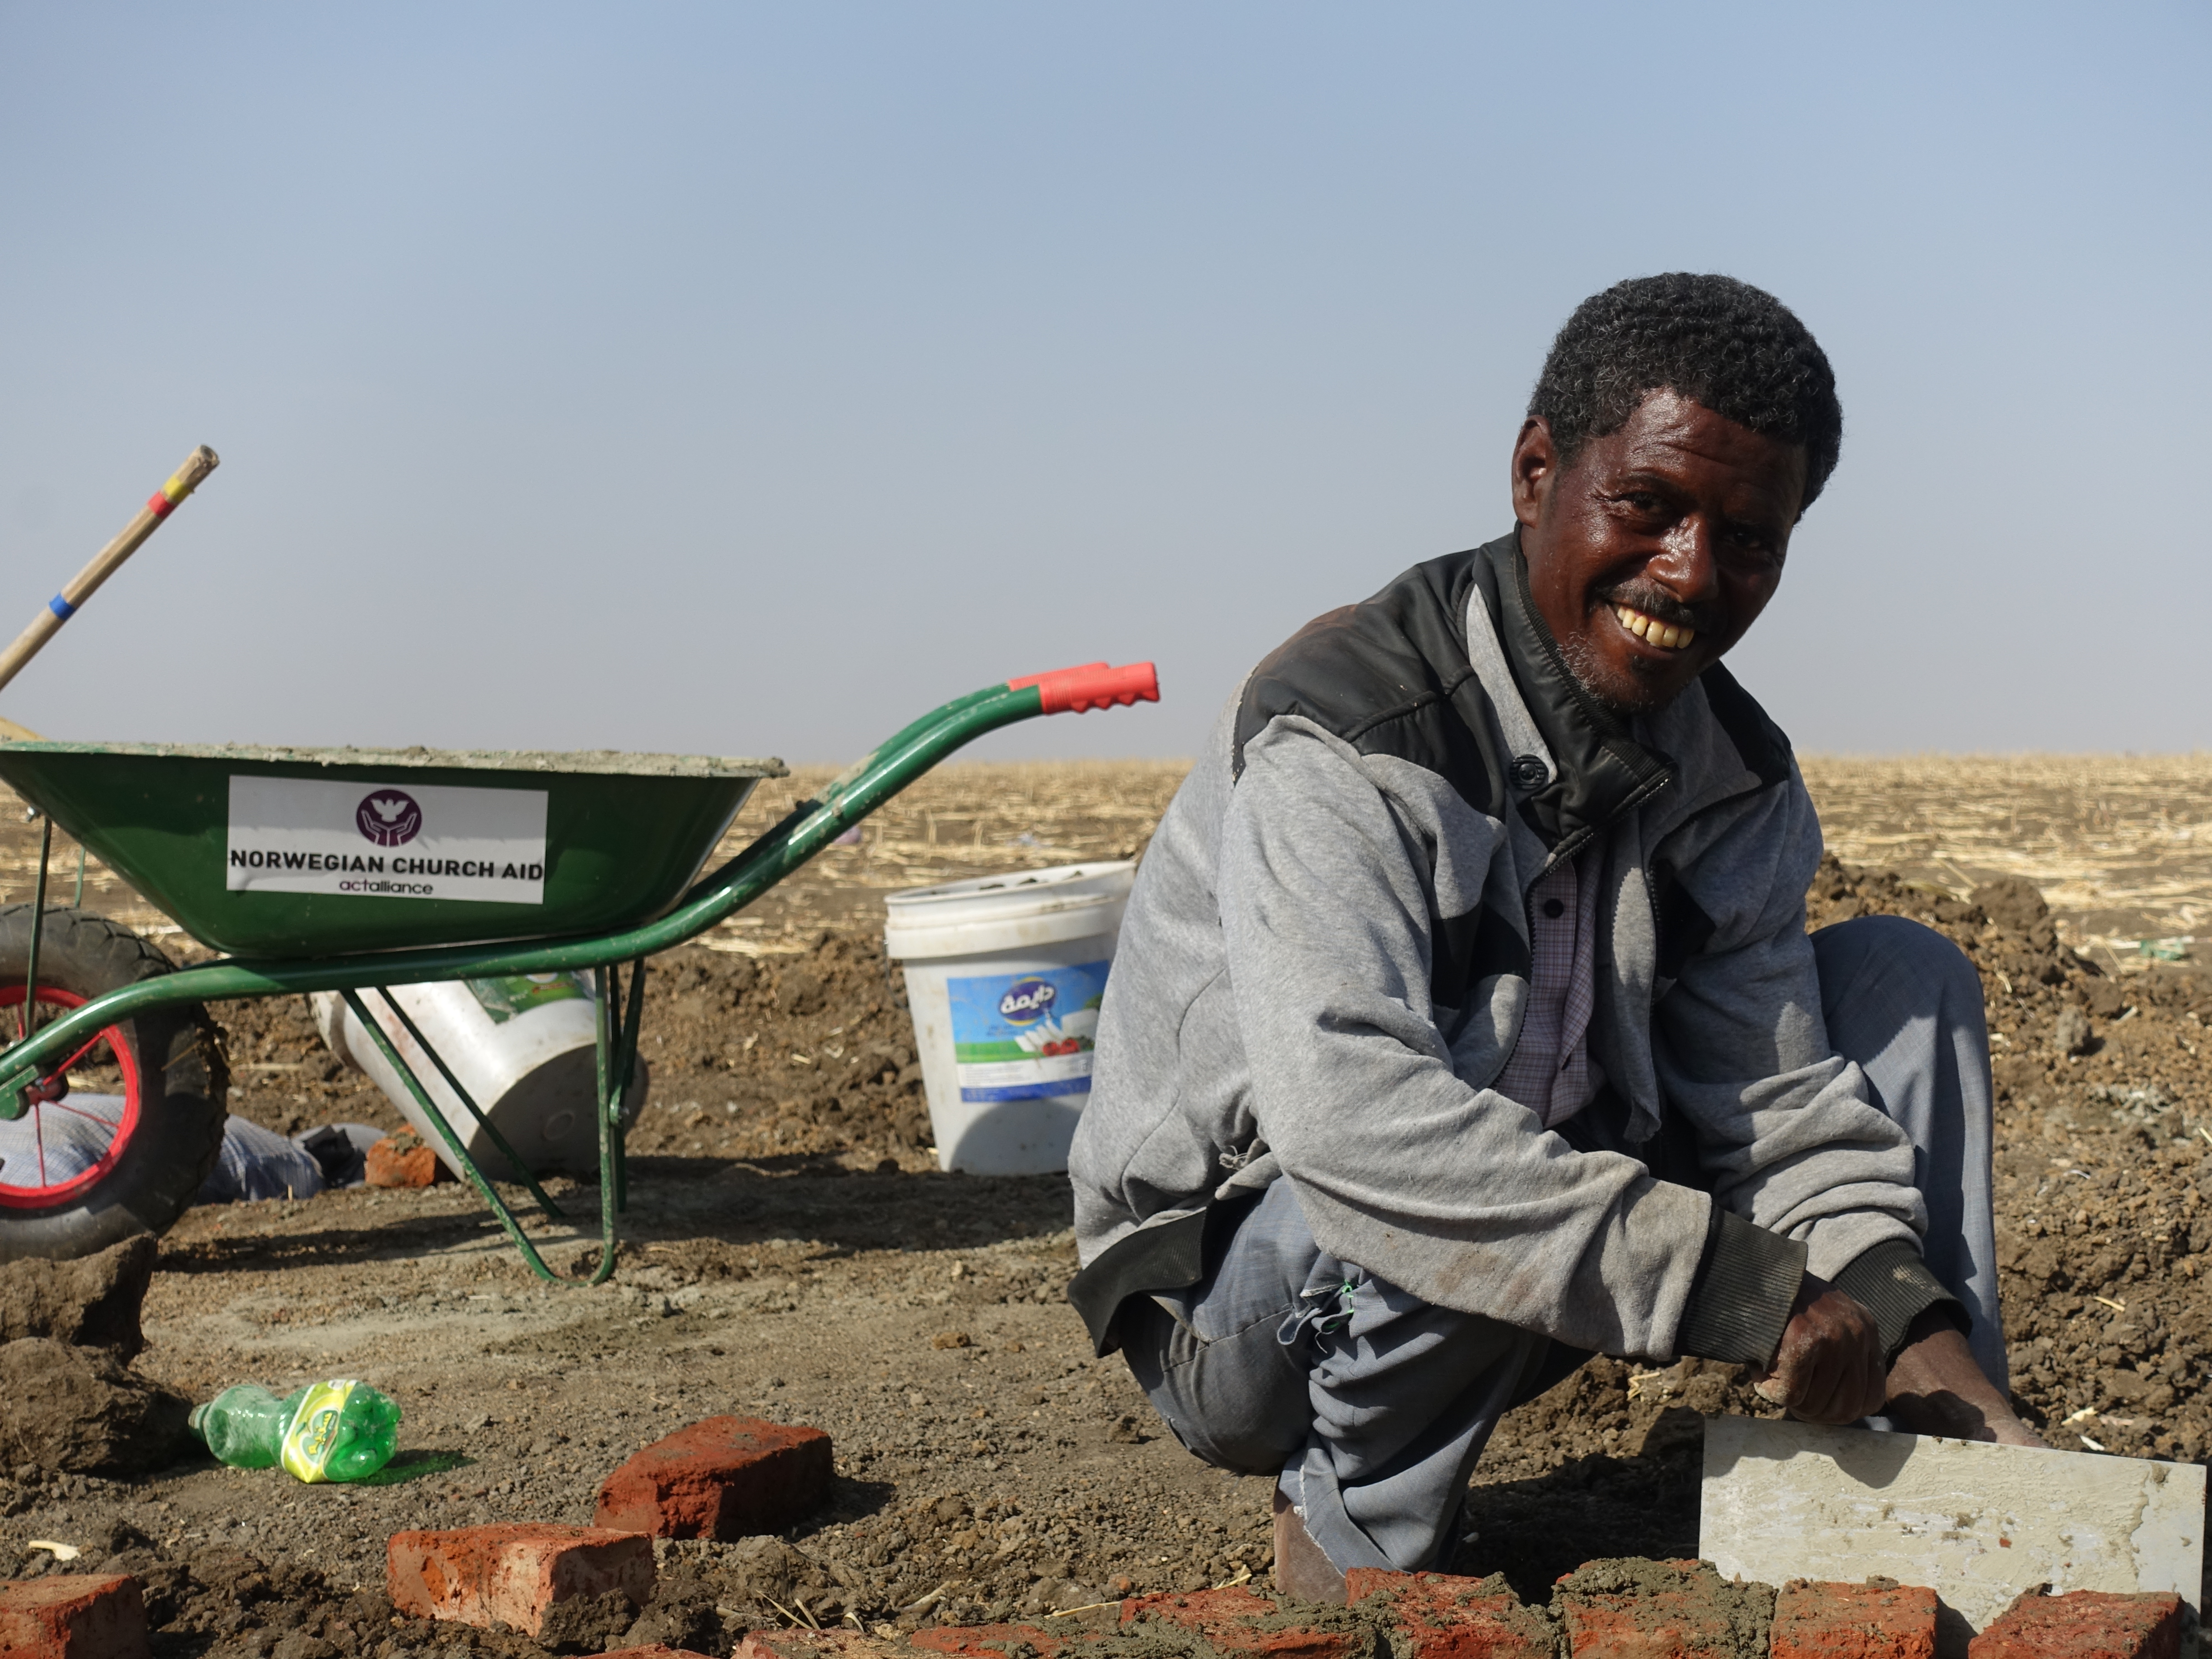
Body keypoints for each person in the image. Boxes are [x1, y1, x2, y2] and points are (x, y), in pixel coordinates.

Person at [1064, 273, 2041, 1604]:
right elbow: (1355, 1132)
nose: (1692, 575)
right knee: (1469, 1133)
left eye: (1750, 540)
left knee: (1899, 983)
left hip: (1537, 1189)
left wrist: (1909, 1335)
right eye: (1649, 507)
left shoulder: (1735, 776)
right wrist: (1749, 1293)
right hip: (1248, 1286)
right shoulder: (1355, 729)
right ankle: (1355, 1539)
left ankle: (1935, 1471)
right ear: (1538, 472)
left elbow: (1777, 1108)